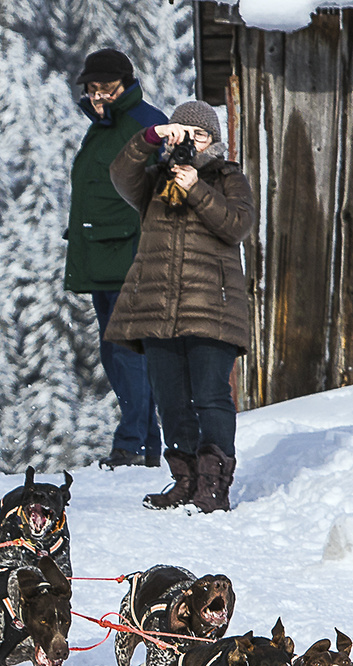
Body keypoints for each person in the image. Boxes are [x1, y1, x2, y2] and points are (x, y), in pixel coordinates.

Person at [104, 100, 253, 513]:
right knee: (170, 398)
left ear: (214, 141)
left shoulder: (228, 178)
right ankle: (184, 480)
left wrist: (196, 189)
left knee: (210, 395)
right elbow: (119, 174)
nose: (191, 141)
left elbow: (237, 225)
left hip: (212, 309)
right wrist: (148, 138)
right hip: (157, 308)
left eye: (199, 134)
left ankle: (213, 485)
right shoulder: (153, 181)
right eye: (183, 132)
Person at [63, 49, 167, 470]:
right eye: (92, 89)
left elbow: (160, 191)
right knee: (117, 353)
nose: (98, 96)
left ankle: (134, 446)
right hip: (103, 257)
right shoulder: (102, 128)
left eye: (106, 88)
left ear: (126, 84)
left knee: (128, 354)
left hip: (131, 257)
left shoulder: (144, 124)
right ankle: (144, 445)